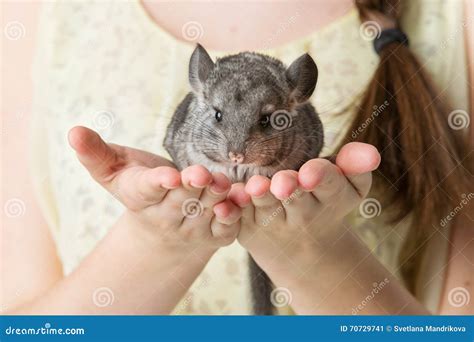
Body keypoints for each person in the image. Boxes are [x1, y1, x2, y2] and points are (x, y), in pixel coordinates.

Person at [2, 0, 472, 315]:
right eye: (222, 121)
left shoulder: (451, 17)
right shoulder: (40, 13)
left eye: (269, 123)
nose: (237, 148)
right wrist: (160, 242)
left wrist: (312, 250)